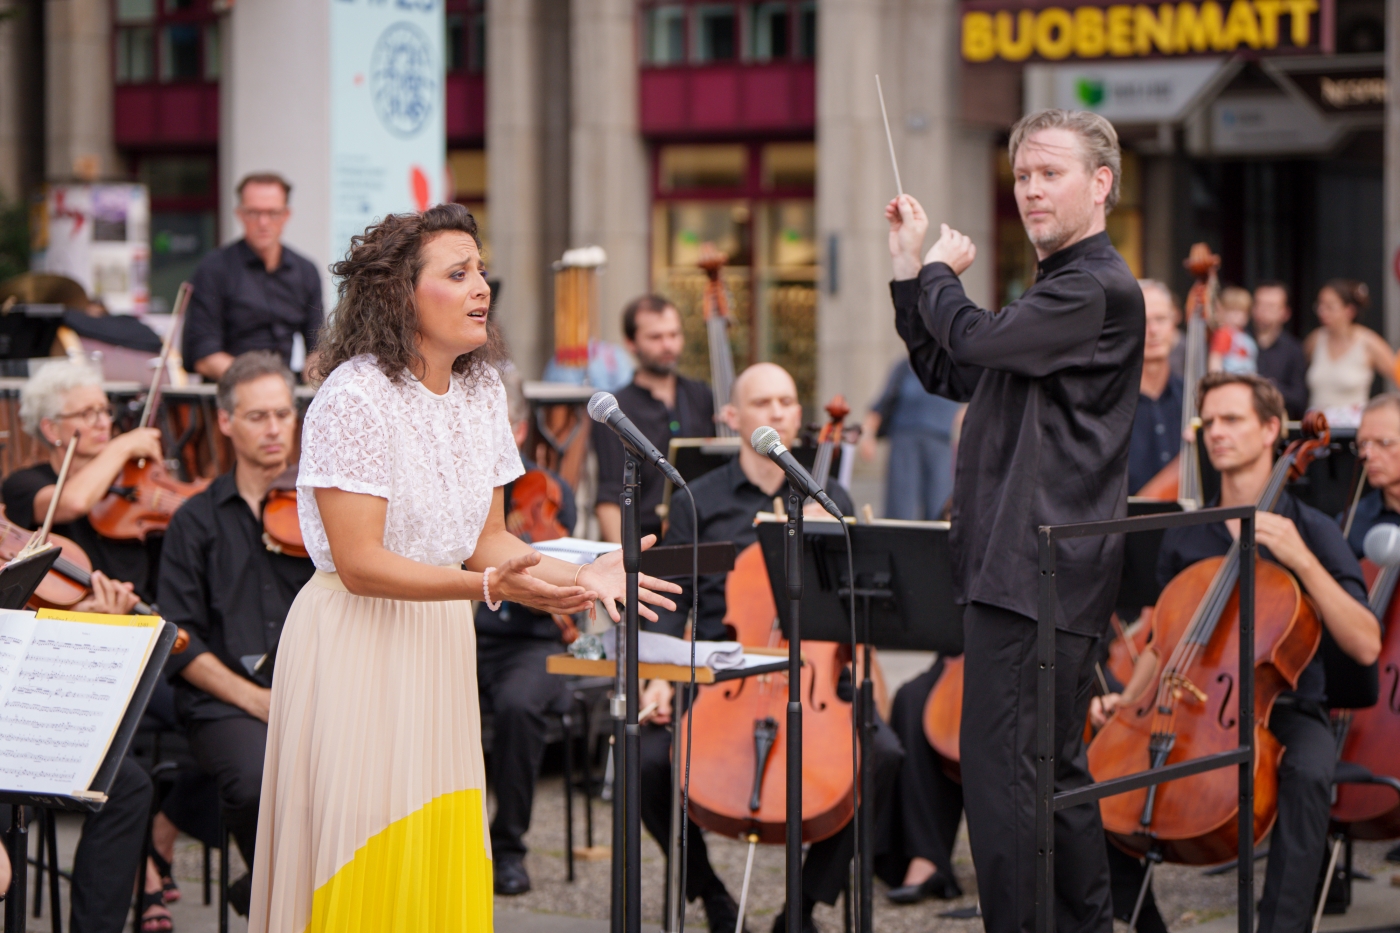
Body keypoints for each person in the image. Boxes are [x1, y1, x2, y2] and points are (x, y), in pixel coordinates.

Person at [246, 203, 679, 932]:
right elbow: (360, 563)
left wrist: (579, 573)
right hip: (356, 640)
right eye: (458, 273)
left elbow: (486, 541)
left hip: (438, 640)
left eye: (479, 269)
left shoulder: (480, 391)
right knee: (364, 839)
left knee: (437, 832)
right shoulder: (354, 395)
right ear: (399, 295)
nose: (482, 286)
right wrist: (484, 586)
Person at [886, 107, 1143, 933]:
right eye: (1023, 176)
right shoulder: (1057, 293)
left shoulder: (1093, 286)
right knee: (1046, 774)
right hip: (1020, 567)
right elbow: (948, 365)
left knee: (1006, 784)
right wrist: (905, 269)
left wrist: (938, 273)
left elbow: (977, 336)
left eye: (1050, 173)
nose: (1030, 189)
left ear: (1100, 184)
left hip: (1038, 570)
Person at [1106, 372, 1381, 933]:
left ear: (1270, 430)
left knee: (1307, 773)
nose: (1217, 434)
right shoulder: (1188, 533)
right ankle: (1145, 924)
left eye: (1233, 420)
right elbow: (1164, 643)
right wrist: (1126, 704)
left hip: (1285, 708)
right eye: (1211, 422)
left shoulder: (1313, 528)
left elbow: (1364, 640)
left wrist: (1301, 560)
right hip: (1188, 704)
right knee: (1096, 773)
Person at [637, 362, 902, 933]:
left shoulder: (829, 496)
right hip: (719, 674)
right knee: (643, 763)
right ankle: (708, 892)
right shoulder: (696, 500)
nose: (778, 412)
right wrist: (660, 673)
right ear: (732, 418)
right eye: (762, 403)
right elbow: (672, 596)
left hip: (811, 671)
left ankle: (801, 907)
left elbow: (857, 603)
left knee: (883, 758)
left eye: (787, 401)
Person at [1, 360, 169, 931]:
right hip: (42, 687)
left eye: (107, 411)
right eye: (89, 413)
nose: (104, 422)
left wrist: (98, 616)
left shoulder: (132, 486)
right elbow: (69, 506)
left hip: (95, 659)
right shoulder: (28, 488)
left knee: (139, 766)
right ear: (52, 428)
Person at [156, 351, 314, 916]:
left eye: (283, 414)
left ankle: (276, 892)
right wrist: (256, 700)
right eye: (257, 417)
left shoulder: (317, 511)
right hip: (223, 700)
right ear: (224, 421)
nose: (275, 429)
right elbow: (179, 637)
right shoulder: (194, 519)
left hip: (312, 689)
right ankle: (283, 899)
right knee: (253, 782)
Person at [474, 368, 577, 897]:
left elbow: (561, 557)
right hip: (466, 632)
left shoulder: (549, 489)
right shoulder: (458, 488)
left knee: (518, 706)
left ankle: (508, 847)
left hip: (532, 642)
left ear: (517, 430)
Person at [594, 295, 714, 543]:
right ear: (631, 343)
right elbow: (608, 498)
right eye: (656, 337)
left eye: (673, 335)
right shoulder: (616, 409)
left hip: (704, 534)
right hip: (646, 542)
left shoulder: (702, 396)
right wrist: (625, 564)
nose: (668, 345)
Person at [183, 173, 324, 382]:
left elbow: (318, 348)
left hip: (286, 395)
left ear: (286, 214)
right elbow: (204, 356)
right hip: (231, 396)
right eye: (254, 212)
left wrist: (316, 377)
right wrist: (260, 384)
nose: (263, 222)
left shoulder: (306, 270)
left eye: (273, 213)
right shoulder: (214, 268)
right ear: (239, 214)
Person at [874, 657, 965, 905]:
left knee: (953, 714)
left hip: (1018, 647)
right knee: (910, 699)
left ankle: (927, 855)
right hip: (960, 652)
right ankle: (923, 854)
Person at [859, 358, 961, 520]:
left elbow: (966, 408)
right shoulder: (905, 367)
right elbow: (882, 404)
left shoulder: (956, 364)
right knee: (902, 507)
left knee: (940, 508)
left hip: (941, 443)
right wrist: (867, 436)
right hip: (905, 441)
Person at [1304, 279, 1395, 426]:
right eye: (1320, 305)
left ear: (1349, 310)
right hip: (1316, 428)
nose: (1322, 311)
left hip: (1352, 428)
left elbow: (1395, 373)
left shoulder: (1368, 342)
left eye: (1330, 307)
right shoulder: (1315, 340)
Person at [1129, 280, 1184, 494]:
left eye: (1161, 319)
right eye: (1143, 320)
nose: (1153, 330)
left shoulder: (1193, 398)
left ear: (1174, 321)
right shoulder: (1108, 404)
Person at [1251, 282, 1309, 420]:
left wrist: (1268, 386)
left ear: (1285, 313)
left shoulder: (1293, 350)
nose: (1263, 311)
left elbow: (1299, 399)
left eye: (1270, 306)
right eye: (1259, 304)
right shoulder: (1239, 341)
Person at [1207, 286, 1258, 375]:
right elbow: (1215, 359)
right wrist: (1216, 381)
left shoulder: (1244, 334)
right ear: (1222, 311)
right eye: (1234, 311)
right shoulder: (1224, 333)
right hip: (1229, 380)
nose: (1239, 316)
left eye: (1243, 311)